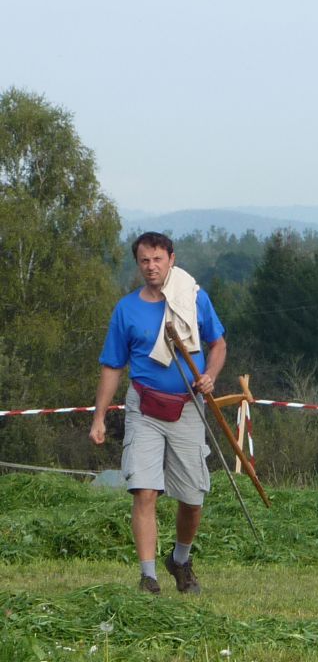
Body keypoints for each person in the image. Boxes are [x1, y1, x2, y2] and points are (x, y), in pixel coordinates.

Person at [89, 231, 226, 595]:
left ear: (171, 259)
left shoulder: (193, 299)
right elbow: (112, 366)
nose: (151, 267)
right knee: (144, 491)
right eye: (144, 261)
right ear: (138, 265)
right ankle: (148, 577)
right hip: (144, 407)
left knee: (193, 498)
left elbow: (219, 343)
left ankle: (180, 560)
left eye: (157, 259)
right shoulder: (127, 309)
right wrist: (99, 416)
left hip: (188, 407)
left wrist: (210, 375)